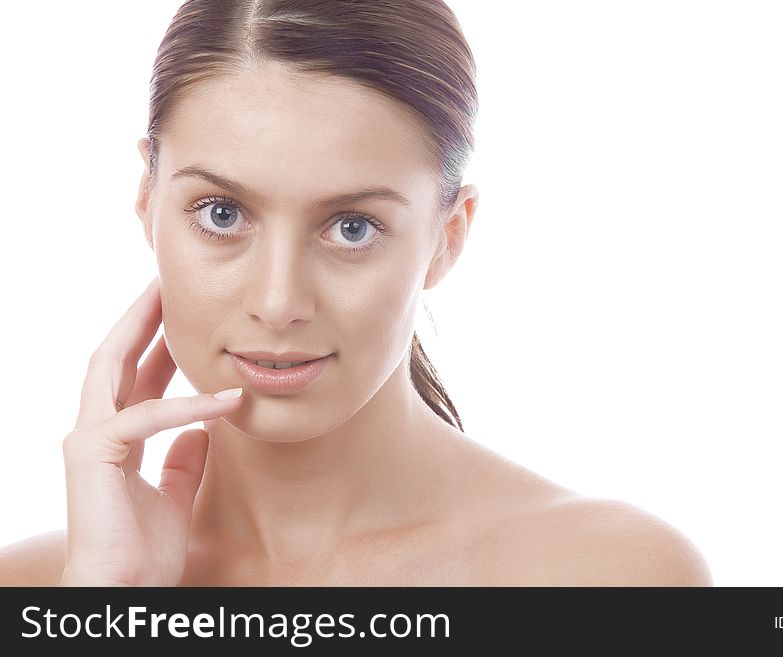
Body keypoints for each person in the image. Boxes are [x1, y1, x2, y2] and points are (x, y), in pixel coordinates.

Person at [0, 0, 711, 586]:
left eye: (351, 226)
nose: (279, 302)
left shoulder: (610, 577)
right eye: (222, 213)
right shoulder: (45, 589)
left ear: (447, 236)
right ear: (147, 198)